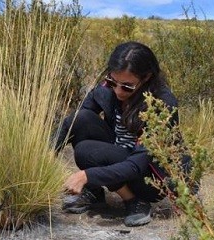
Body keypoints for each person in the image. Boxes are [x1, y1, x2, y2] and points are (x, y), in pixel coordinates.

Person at [55, 41, 192, 227]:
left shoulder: (163, 104)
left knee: (85, 151)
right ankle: (94, 194)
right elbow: (75, 122)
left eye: (127, 86)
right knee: (81, 118)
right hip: (119, 155)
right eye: (113, 82)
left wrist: (87, 175)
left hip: (149, 176)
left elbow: (138, 163)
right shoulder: (106, 88)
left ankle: (135, 201)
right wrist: (44, 155)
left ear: (146, 78)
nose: (118, 91)